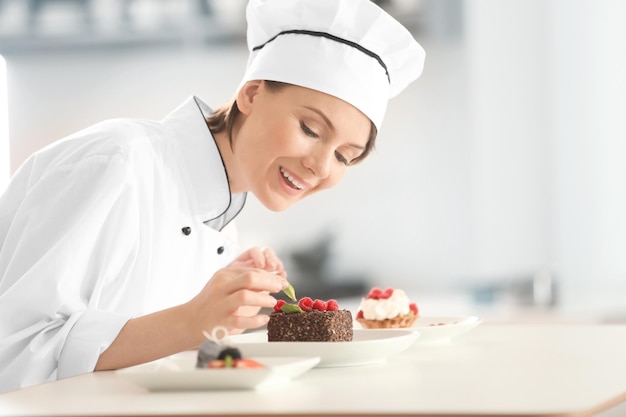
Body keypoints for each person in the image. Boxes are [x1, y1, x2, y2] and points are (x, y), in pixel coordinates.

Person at [0, 0, 425, 392]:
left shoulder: (220, 222)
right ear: (252, 92)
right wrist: (192, 320)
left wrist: (214, 307)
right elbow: (12, 355)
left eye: (344, 157)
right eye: (310, 130)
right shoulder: (118, 162)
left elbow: (139, 360)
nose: (321, 166)